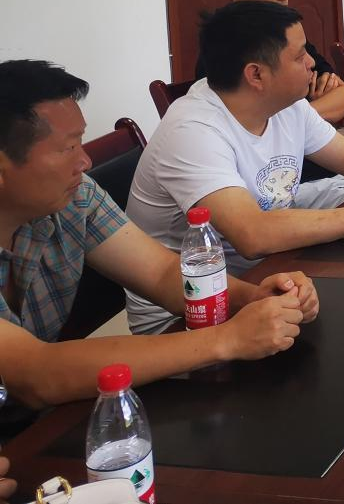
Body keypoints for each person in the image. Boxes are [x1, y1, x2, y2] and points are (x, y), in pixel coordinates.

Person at [0, 59, 318, 413]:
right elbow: (36, 374)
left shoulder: (77, 198)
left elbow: (159, 272)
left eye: (81, 142)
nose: (85, 162)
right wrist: (228, 339)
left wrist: (253, 298)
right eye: (67, 148)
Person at [126, 2, 344, 333]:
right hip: (193, 309)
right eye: (300, 56)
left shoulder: (285, 103)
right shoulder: (193, 130)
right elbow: (253, 235)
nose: (312, 62)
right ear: (256, 74)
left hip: (272, 269)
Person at [201, 0, 344, 127]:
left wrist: (297, 118)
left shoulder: (287, 33)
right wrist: (309, 114)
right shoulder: (220, 49)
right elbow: (244, 125)